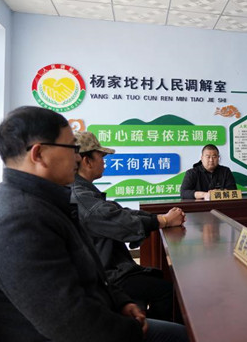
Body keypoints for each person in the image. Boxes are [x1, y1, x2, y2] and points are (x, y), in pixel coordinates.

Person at [0, 106, 188, 342]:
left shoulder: (44, 200)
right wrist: (131, 329)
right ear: (39, 154)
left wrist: (120, 301)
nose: (76, 158)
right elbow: (68, 322)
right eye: (72, 148)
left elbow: (90, 268)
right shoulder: (19, 221)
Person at [71, 131, 185, 322]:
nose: (104, 162)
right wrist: (164, 221)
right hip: (106, 276)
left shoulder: (83, 190)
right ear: (87, 161)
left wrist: (160, 218)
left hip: (107, 269)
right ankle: (154, 332)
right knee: (169, 292)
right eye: (101, 157)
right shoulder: (80, 196)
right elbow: (120, 221)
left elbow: (120, 211)